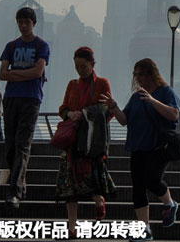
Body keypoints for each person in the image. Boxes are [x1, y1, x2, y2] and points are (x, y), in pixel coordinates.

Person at [102, 58, 180, 242]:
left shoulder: (166, 92)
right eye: (136, 75)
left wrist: (153, 100)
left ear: (151, 74)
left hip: (158, 147)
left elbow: (174, 114)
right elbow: (124, 120)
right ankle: (144, 230)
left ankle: (169, 203)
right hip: (137, 146)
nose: (139, 79)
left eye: (142, 74)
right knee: (138, 189)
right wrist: (114, 108)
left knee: (152, 180)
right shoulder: (136, 96)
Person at [55, 47, 116, 238]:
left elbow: (108, 110)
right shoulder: (72, 85)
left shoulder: (102, 84)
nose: (80, 70)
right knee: (69, 188)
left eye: (83, 66)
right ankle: (71, 228)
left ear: (92, 65)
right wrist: (69, 114)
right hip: (73, 141)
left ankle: (99, 200)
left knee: (92, 183)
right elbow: (63, 107)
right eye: (77, 66)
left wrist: (85, 114)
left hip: (92, 142)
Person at [0, 6, 50, 208]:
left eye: (26, 22)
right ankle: (20, 185)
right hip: (11, 98)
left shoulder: (42, 45)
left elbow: (38, 72)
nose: (23, 25)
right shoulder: (10, 46)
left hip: (31, 98)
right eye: (20, 22)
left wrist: (15, 73)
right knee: (10, 146)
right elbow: (2, 74)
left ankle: (14, 192)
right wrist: (25, 73)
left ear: (33, 23)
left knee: (23, 144)